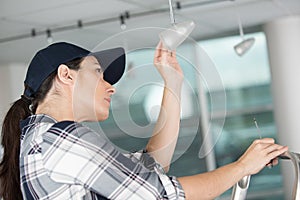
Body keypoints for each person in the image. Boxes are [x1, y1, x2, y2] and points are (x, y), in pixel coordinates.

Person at [0, 41, 287, 200]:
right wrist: (242, 167)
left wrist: (172, 83)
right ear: (66, 75)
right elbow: (159, 194)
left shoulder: (40, 139)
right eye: (98, 72)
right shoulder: (62, 140)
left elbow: (149, 168)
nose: (110, 86)